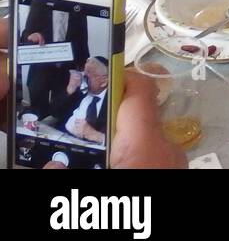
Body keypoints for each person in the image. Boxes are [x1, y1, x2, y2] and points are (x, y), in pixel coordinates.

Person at [0, 18, 186, 170]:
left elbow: (118, 141)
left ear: (105, 80)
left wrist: (93, 135)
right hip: (58, 144)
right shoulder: (79, 94)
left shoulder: (116, 103)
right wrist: (69, 90)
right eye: (84, 72)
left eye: (89, 74)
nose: (83, 76)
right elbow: (54, 112)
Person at [18, 0, 89, 119]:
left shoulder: (78, 7)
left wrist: (84, 66)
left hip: (66, 70)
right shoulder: (39, 2)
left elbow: (82, 41)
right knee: (37, 113)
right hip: (40, 71)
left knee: (62, 113)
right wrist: (31, 36)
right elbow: (26, 34)